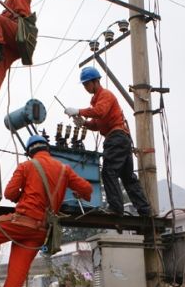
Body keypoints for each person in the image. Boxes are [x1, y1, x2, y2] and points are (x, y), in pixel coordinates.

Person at [0, 134, 93, 287]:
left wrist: (23, 195)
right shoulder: (64, 170)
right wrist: (77, 191)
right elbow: (87, 189)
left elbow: (9, 193)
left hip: (23, 222)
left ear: (30, 152)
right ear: (47, 149)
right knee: (18, 270)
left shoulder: (27, 166)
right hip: (41, 230)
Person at [64, 67, 151, 217]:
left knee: (109, 172)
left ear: (95, 81)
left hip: (116, 138)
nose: (85, 87)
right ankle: (145, 211)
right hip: (121, 139)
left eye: (86, 84)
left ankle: (116, 209)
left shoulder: (105, 95)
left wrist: (78, 111)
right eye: (84, 85)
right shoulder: (98, 101)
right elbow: (97, 124)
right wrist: (83, 123)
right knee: (127, 177)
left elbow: (99, 112)